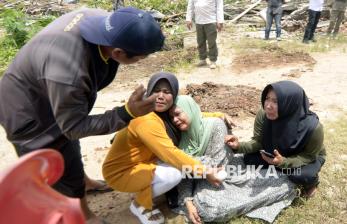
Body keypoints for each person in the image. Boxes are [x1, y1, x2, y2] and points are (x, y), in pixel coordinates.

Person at [0, 7, 164, 224]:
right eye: (141, 58)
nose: (142, 61)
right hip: (28, 112)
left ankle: (83, 182)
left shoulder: (99, 20)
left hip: (48, 90)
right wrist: (127, 112)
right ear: (118, 53)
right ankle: (82, 214)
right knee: (56, 165)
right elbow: (74, 127)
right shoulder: (70, 73)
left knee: (70, 147)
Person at [102, 72, 222, 224]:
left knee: (179, 165)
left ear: (174, 95)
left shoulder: (162, 114)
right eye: (156, 91)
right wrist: (205, 171)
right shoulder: (146, 119)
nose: (160, 96)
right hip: (121, 172)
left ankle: (145, 190)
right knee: (175, 173)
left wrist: (218, 115)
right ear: (149, 93)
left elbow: (192, 113)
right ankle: (139, 204)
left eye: (167, 92)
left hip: (143, 163)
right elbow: (169, 153)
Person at [225, 80, 326, 198]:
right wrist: (239, 146)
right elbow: (258, 142)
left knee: (300, 175)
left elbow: (309, 156)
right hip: (276, 152)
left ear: (290, 103)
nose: (268, 105)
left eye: (276, 101)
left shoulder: (313, 127)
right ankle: (281, 168)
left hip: (303, 157)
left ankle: (312, 183)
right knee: (250, 159)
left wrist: (284, 162)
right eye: (267, 98)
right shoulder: (263, 115)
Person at [169, 95, 233, 223]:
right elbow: (184, 173)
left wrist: (190, 162)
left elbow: (217, 167)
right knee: (202, 207)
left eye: (177, 114)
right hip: (200, 181)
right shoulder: (180, 138)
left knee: (209, 208)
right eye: (171, 118)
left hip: (223, 177)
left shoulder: (216, 126)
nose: (175, 120)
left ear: (189, 110)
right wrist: (188, 202)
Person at [186, 0, 224, 69]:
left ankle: (213, 60)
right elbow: (190, 6)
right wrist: (188, 19)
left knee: (211, 42)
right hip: (199, 21)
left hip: (211, 21)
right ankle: (202, 59)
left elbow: (219, 7)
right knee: (200, 42)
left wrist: (220, 21)